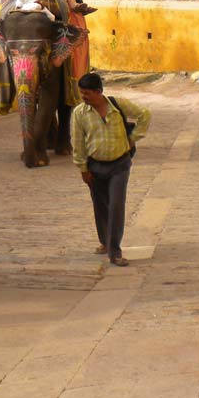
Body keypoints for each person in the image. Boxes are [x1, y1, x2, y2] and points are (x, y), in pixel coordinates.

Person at [71, 72, 150, 267]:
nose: (84, 97)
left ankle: (115, 251)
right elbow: (78, 142)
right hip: (95, 166)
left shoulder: (118, 105)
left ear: (99, 92)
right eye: (82, 93)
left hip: (119, 165)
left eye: (87, 93)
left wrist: (133, 139)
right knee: (100, 205)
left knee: (116, 205)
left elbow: (144, 114)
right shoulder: (79, 114)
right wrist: (83, 168)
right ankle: (104, 240)